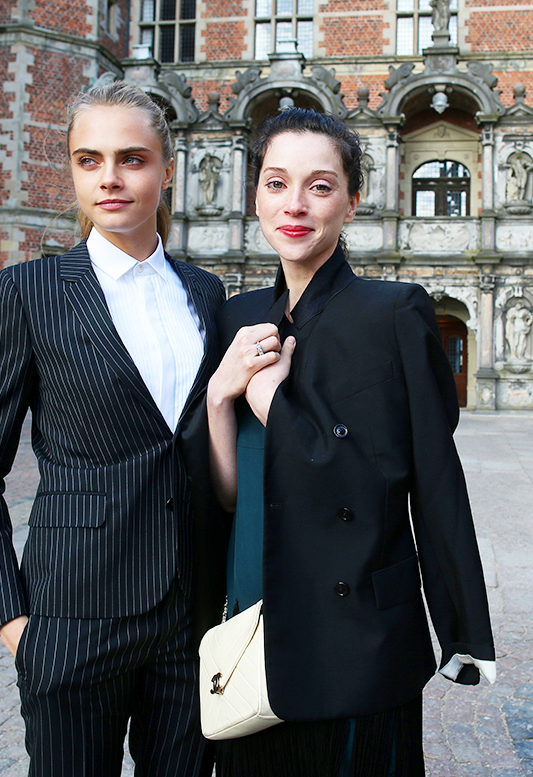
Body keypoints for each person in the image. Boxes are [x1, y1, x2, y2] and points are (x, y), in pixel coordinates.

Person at [0, 81, 227, 777]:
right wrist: (13, 622)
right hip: (71, 615)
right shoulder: (29, 291)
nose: (109, 178)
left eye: (131, 158)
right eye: (88, 159)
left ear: (166, 169)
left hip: (190, 616)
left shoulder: (207, 292)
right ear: (71, 170)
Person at [206, 108, 495, 777]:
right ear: (254, 194)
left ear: (352, 201)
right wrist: (222, 395)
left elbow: (429, 477)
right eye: (277, 183)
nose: (296, 205)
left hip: (361, 633)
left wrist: (462, 624)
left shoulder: (395, 312)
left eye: (320, 185)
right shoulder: (236, 315)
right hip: (256, 623)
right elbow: (226, 494)